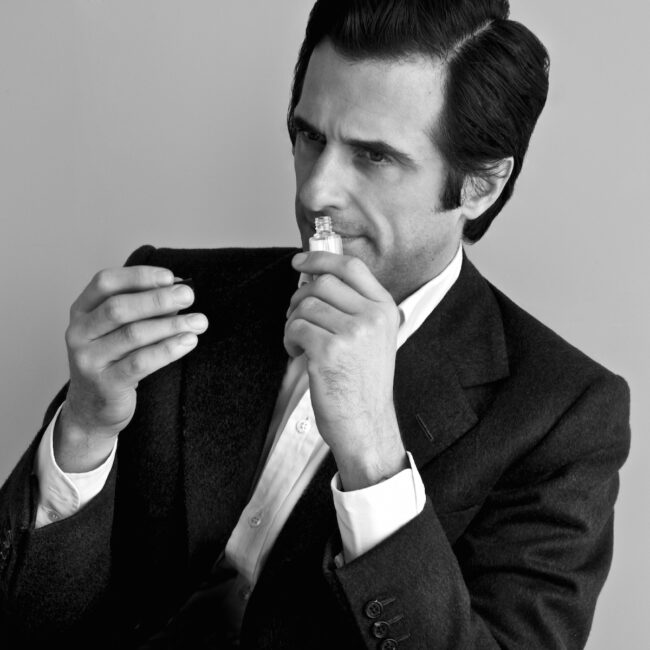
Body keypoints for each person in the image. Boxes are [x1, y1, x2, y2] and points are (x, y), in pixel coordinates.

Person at [0, 1, 630, 648]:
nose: (315, 192)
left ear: (481, 185)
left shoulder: (565, 415)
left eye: (374, 156)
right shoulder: (176, 296)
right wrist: (83, 433)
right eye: (310, 138)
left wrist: (374, 458)